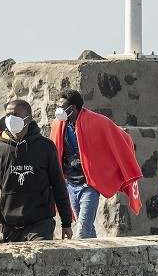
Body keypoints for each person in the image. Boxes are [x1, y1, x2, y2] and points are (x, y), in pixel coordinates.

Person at [0, 100, 74, 242]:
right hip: (10, 224)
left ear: (29, 118)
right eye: (8, 115)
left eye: (16, 114)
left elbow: (58, 185)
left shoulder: (45, 147)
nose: (11, 118)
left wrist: (66, 222)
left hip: (40, 222)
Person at [49, 89, 143, 238]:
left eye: (62, 106)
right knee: (85, 224)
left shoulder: (97, 122)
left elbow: (123, 137)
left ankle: (81, 259)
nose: (58, 110)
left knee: (83, 229)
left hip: (90, 183)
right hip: (71, 183)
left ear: (72, 108)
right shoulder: (58, 125)